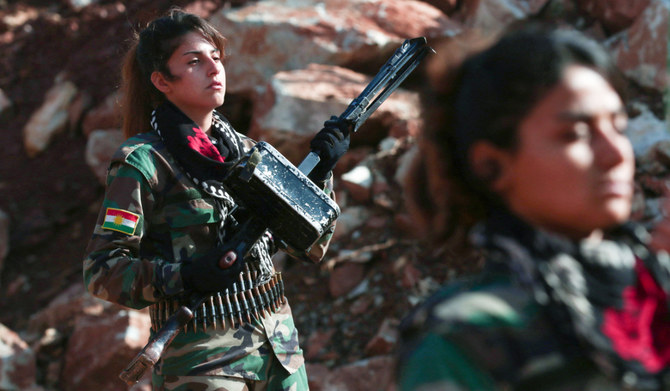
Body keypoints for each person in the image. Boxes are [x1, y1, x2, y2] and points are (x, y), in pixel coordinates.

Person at [83, 8, 349, 390]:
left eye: (216, 57)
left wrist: (320, 175)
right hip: (202, 362)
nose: (214, 68)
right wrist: (184, 276)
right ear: (162, 81)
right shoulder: (142, 162)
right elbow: (102, 271)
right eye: (194, 61)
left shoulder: (246, 152)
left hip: (279, 351)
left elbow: (310, 247)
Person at [396, 23, 670, 391]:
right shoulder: (467, 337)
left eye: (619, 128)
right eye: (574, 134)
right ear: (491, 164)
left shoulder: (655, 287)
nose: (616, 153)